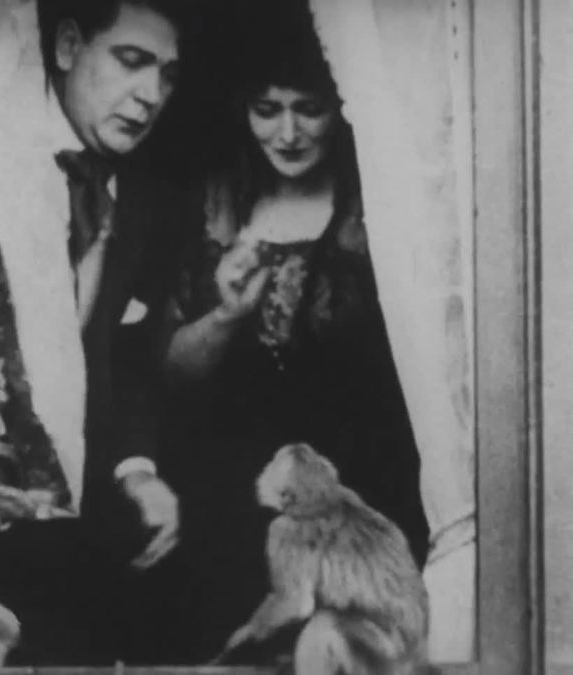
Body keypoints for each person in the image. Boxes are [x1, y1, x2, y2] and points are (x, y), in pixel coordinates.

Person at [153, 3, 430, 664]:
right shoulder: (217, 206)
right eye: (267, 109)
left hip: (357, 512)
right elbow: (170, 375)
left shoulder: (383, 211)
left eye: (309, 109)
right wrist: (226, 316)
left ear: (344, 107)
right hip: (228, 509)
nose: (287, 132)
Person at [0, 0, 191, 665]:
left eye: (167, 74)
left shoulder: (149, 198)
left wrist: (138, 469)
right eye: (131, 62)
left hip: (71, 531)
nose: (151, 94)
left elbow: (127, 359)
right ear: (68, 45)